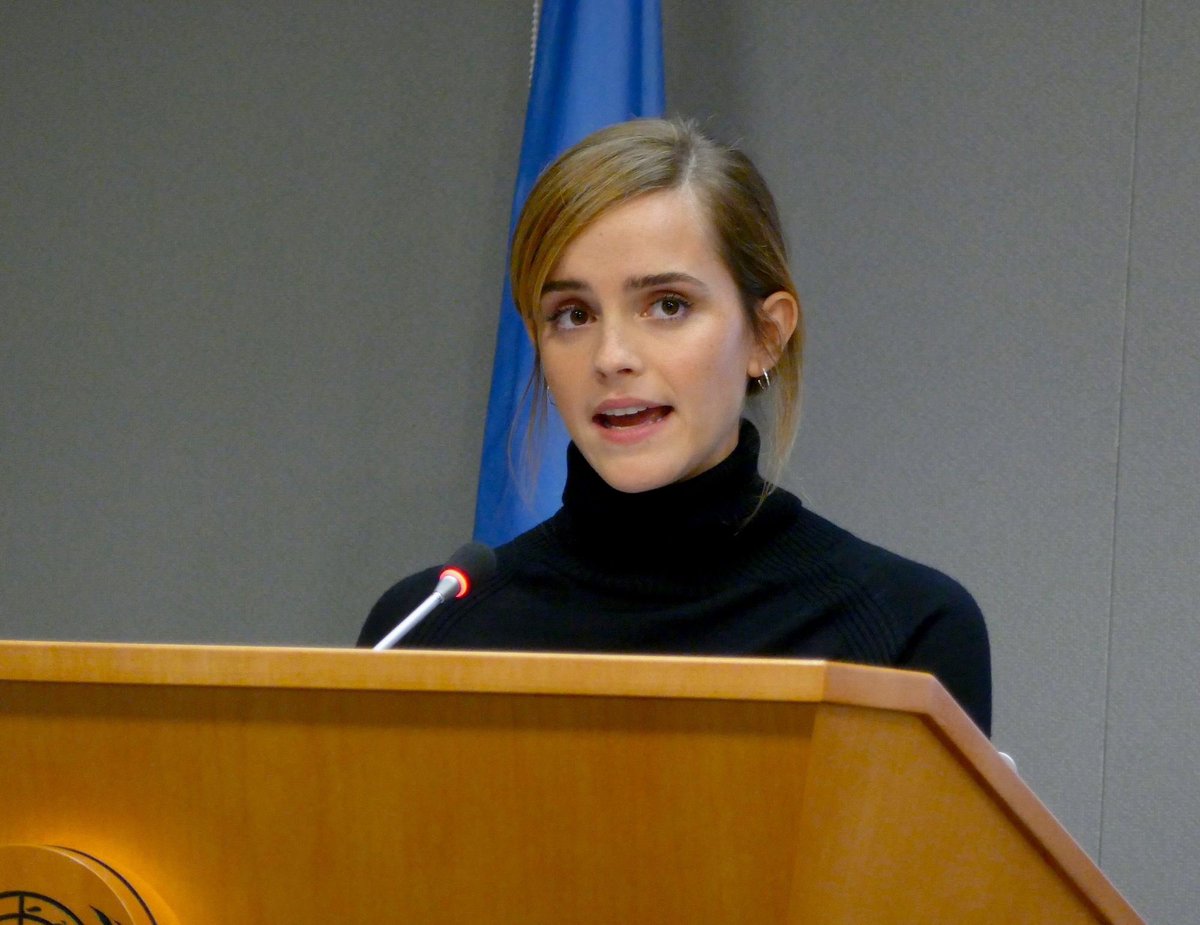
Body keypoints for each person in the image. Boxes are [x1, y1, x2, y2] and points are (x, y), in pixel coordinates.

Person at [359, 118, 992, 735]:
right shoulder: (426, 631)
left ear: (766, 336)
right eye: (573, 314)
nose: (611, 357)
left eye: (667, 305)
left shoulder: (904, 630)